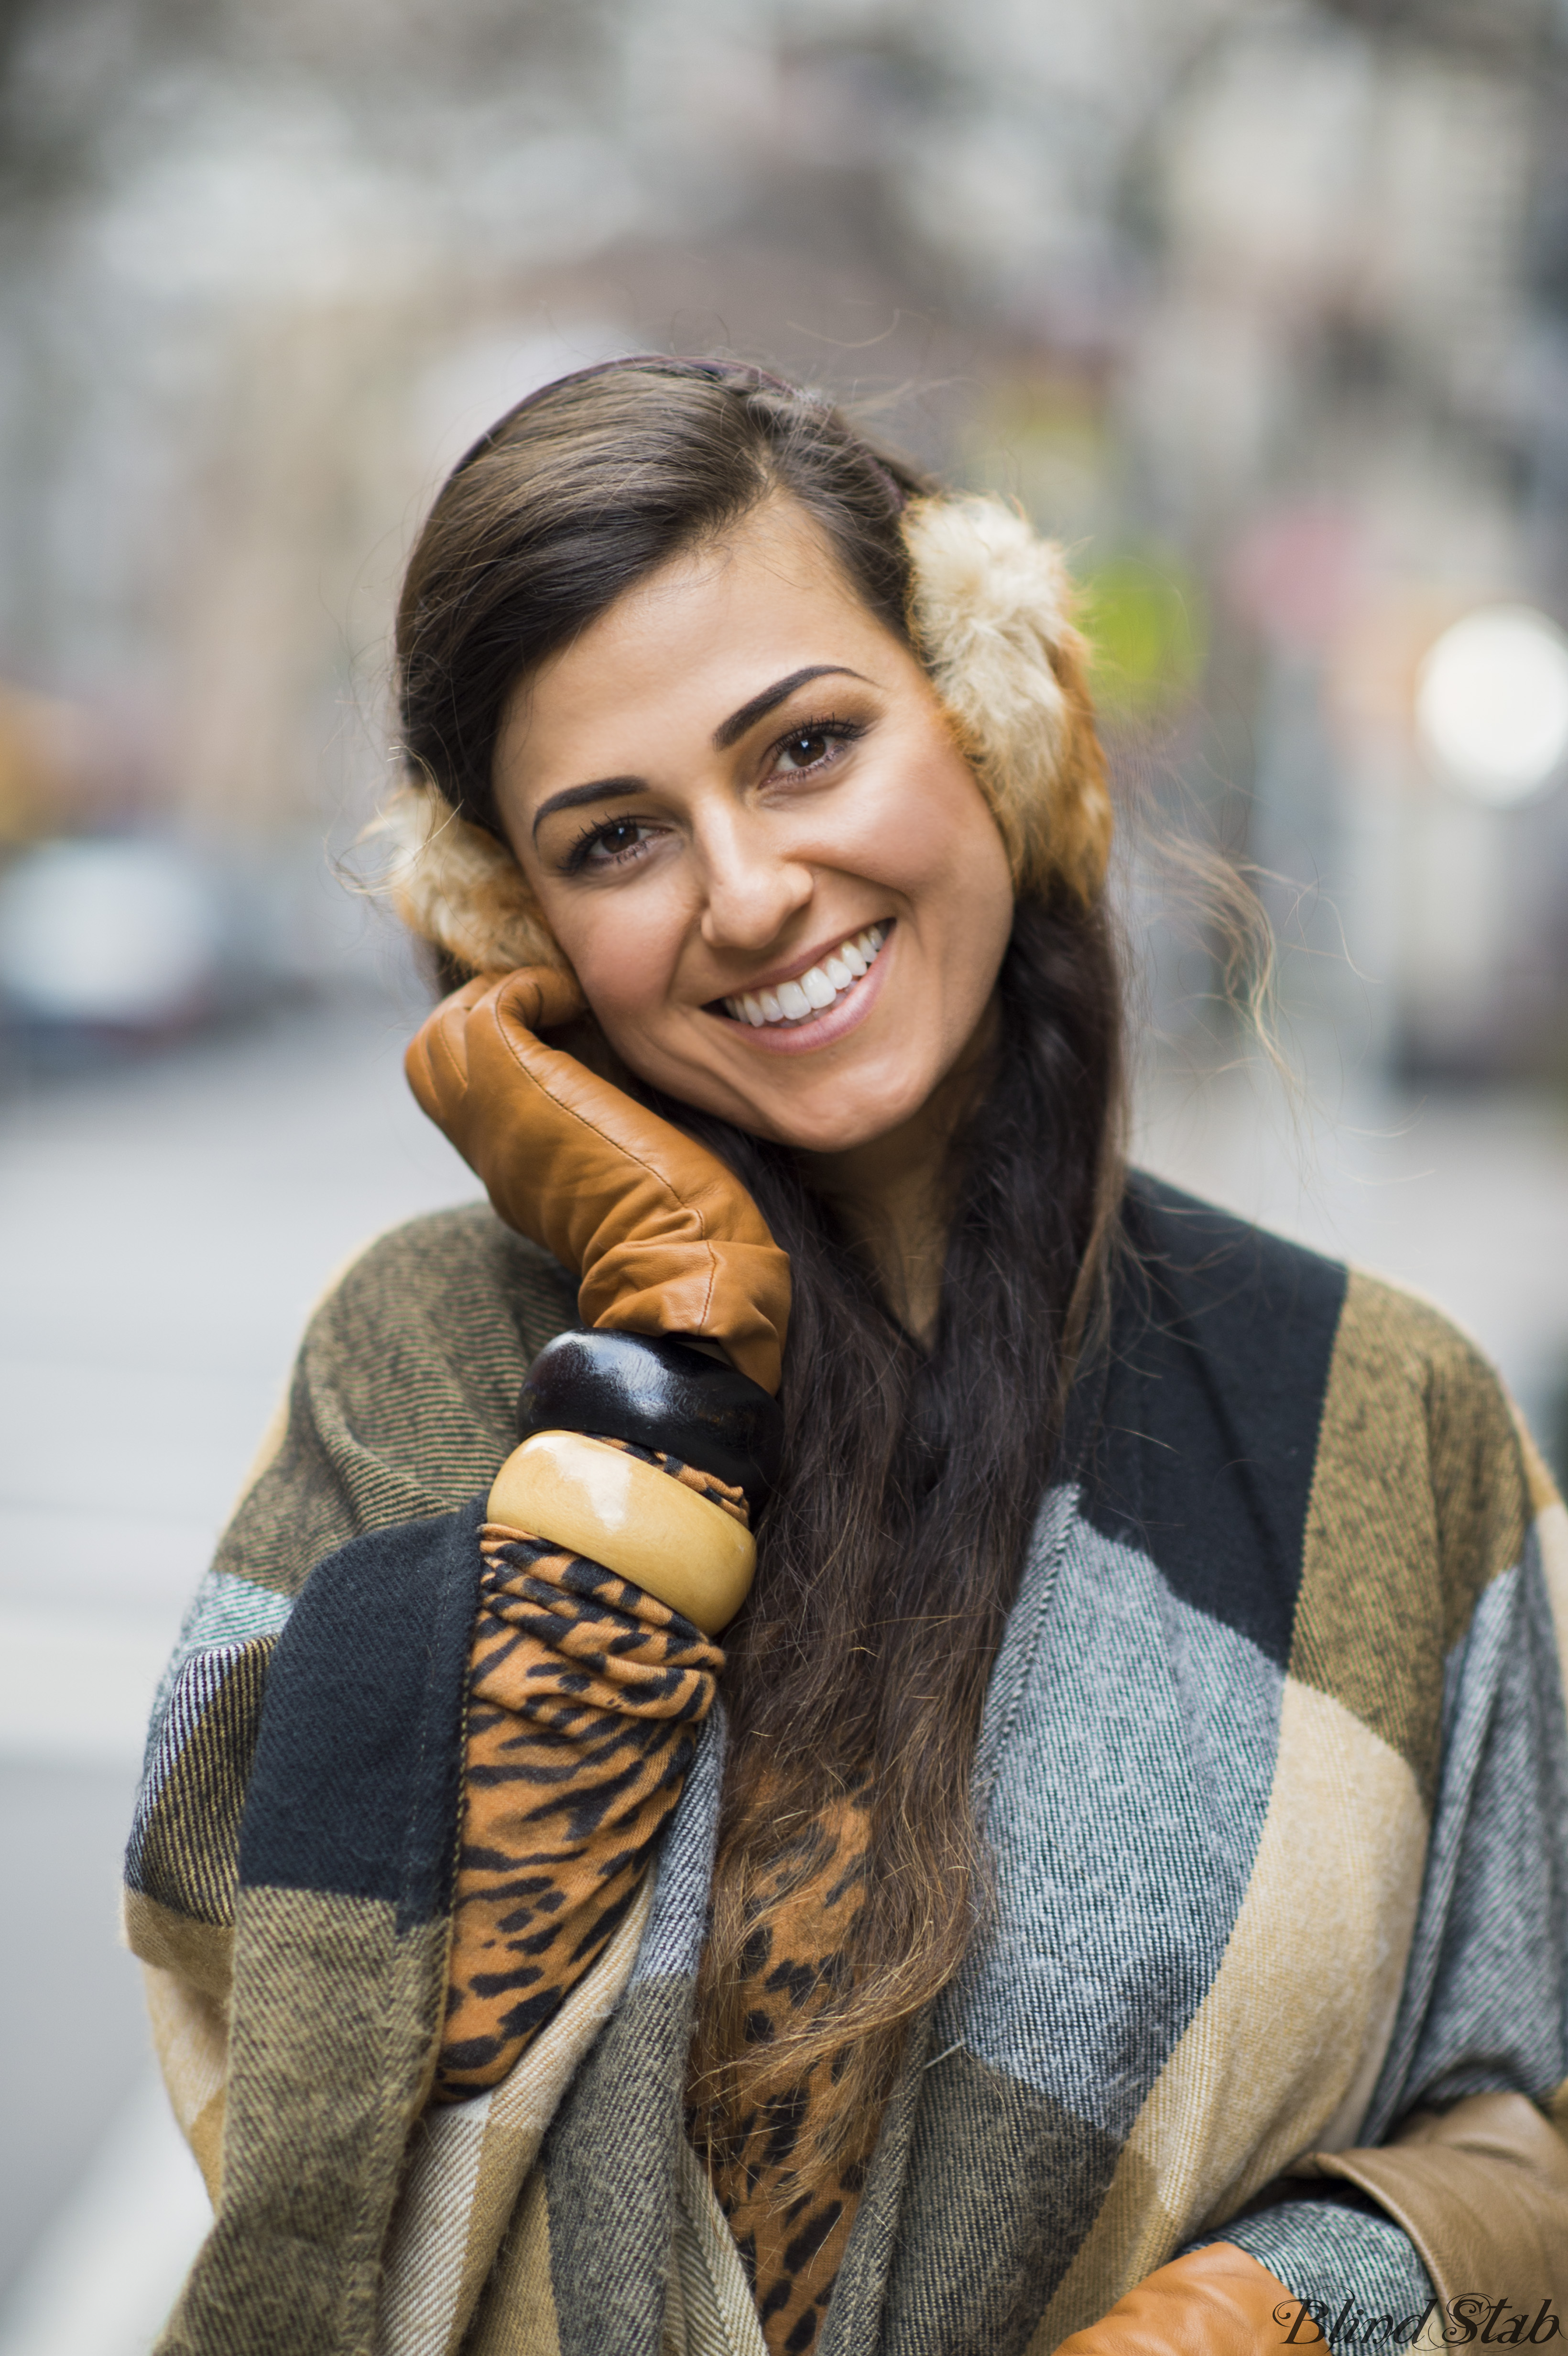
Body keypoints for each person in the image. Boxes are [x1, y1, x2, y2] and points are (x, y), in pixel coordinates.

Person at [124, 359, 1568, 2356]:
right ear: (512, 925)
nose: (746, 890)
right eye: (617, 838)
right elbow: (321, 2070)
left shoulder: (1377, 1415)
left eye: (804, 746)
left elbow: (1532, 2127)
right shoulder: (429, 1356)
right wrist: (667, 1350)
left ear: (988, 724)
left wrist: (1267, 2309)